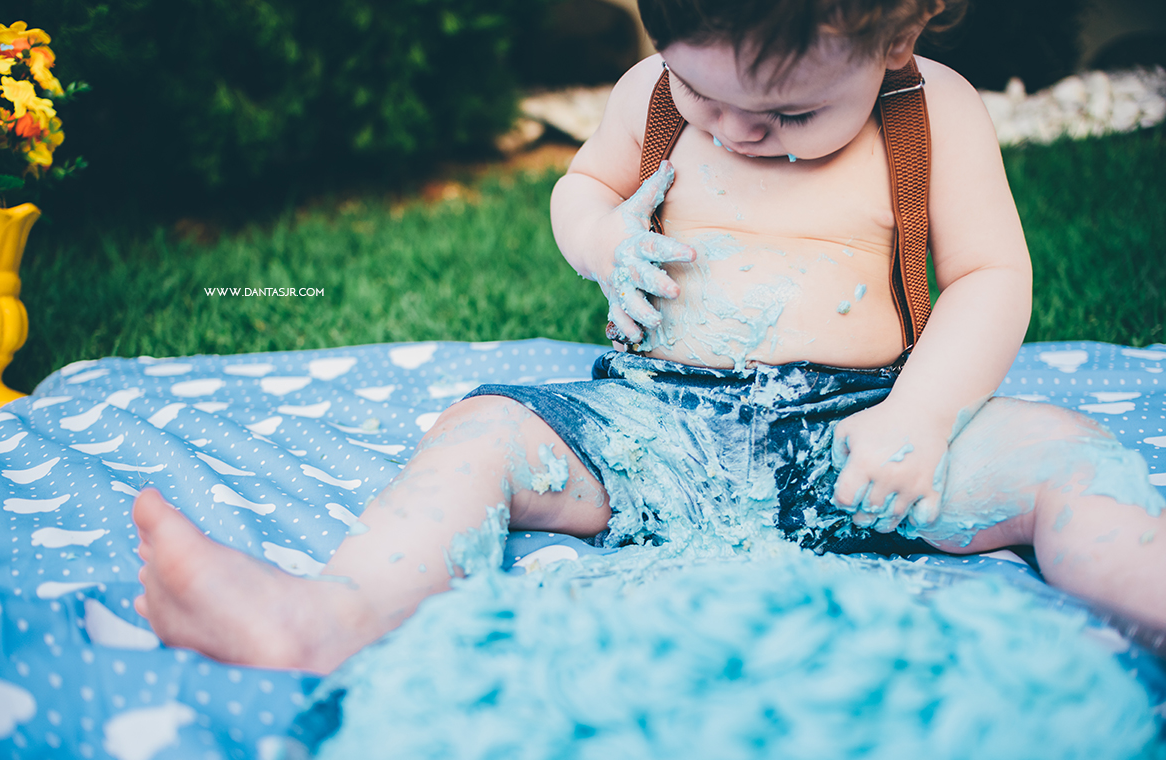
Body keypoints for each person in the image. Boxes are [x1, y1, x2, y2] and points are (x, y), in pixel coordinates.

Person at [133, 0, 1165, 673]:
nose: (734, 132)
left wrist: (924, 420)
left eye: (791, 114)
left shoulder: (933, 111)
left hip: (860, 441)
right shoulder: (654, 95)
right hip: (649, 435)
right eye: (703, 95)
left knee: (1066, 453)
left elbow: (990, 276)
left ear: (897, 37)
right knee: (480, 433)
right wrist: (602, 240)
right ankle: (331, 617)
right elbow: (581, 188)